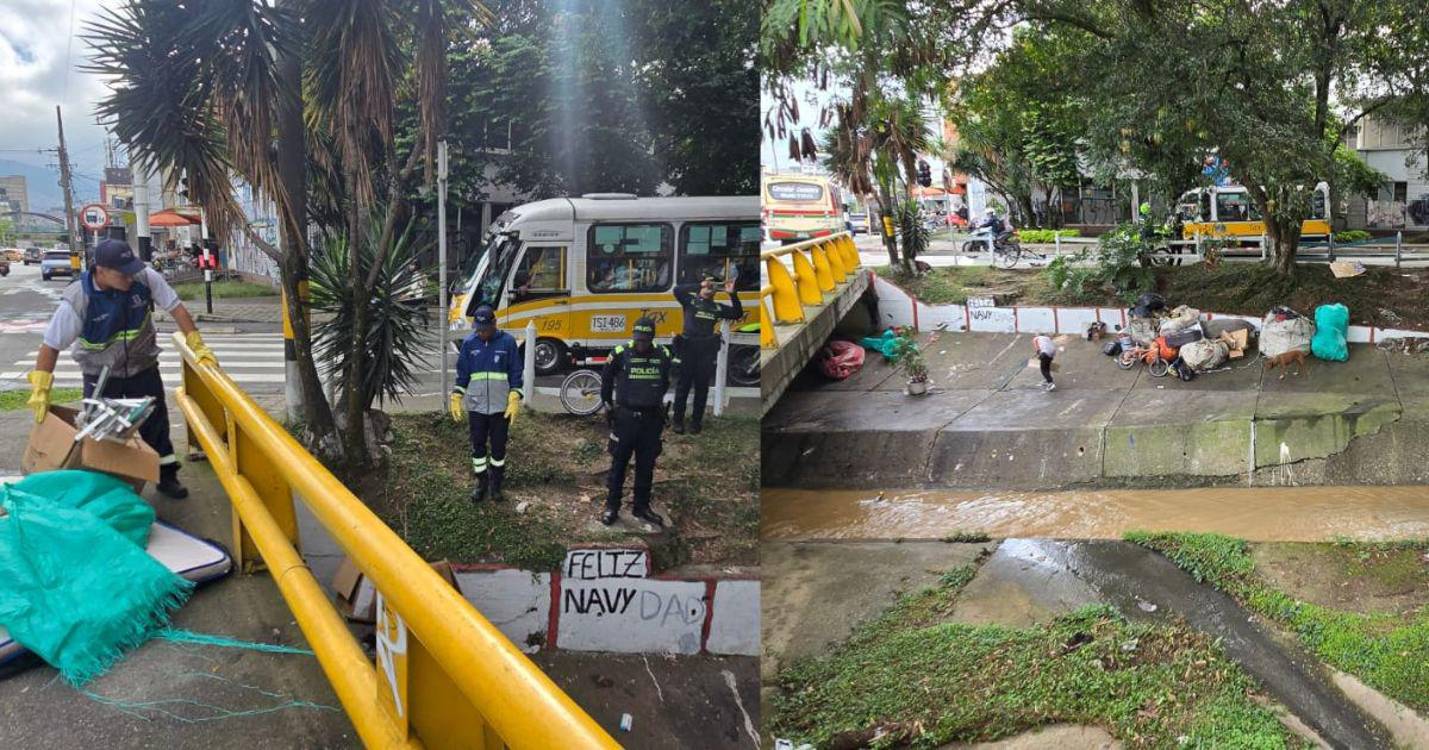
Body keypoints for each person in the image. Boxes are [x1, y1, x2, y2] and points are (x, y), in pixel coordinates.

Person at [26, 238, 219, 498]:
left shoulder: (144, 277)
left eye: (131, 269)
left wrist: (198, 345)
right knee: (103, 434)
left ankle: (166, 476)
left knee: (156, 425)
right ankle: (109, 488)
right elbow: (50, 346)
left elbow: (177, 309)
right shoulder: (79, 298)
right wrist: (41, 387)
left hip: (143, 368)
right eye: (122, 272)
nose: (129, 277)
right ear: (100, 270)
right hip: (101, 376)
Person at [600, 317, 673, 527]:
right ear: (633, 336)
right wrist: (608, 406)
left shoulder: (663, 354)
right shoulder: (620, 353)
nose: (641, 344)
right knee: (618, 464)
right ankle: (612, 506)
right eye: (638, 339)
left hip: (651, 420)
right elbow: (606, 380)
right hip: (625, 418)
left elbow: (666, 380)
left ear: (652, 338)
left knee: (646, 466)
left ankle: (641, 506)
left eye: (645, 340)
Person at [450, 305, 523, 503]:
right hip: (476, 406)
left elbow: (516, 372)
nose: (481, 333)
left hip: (501, 407)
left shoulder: (507, 342)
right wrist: (457, 395)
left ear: (494, 324)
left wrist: (515, 395)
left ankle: (496, 485)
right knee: (478, 447)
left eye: (485, 329)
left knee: (499, 449)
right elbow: (463, 374)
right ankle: (481, 483)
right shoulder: (469, 343)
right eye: (478, 329)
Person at [671, 275, 743, 434]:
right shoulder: (690, 301)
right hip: (688, 348)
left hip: (705, 350)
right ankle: (677, 421)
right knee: (683, 387)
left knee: (702, 388)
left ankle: (696, 422)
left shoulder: (717, 307)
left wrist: (732, 293)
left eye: (712, 287)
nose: (709, 289)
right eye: (707, 286)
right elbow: (677, 290)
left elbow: (737, 313)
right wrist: (699, 283)